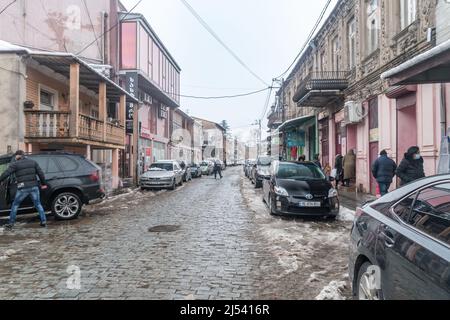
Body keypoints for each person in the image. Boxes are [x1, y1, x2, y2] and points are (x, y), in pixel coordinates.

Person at [0, 150, 48, 229]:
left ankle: (11, 223)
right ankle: (43, 221)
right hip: (34, 187)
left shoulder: (15, 164)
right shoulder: (33, 162)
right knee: (38, 204)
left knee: (15, 205)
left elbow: (6, 173)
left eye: (15, 156)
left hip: (23, 188)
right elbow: (40, 173)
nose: (15, 158)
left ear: (18, 156)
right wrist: (43, 184)